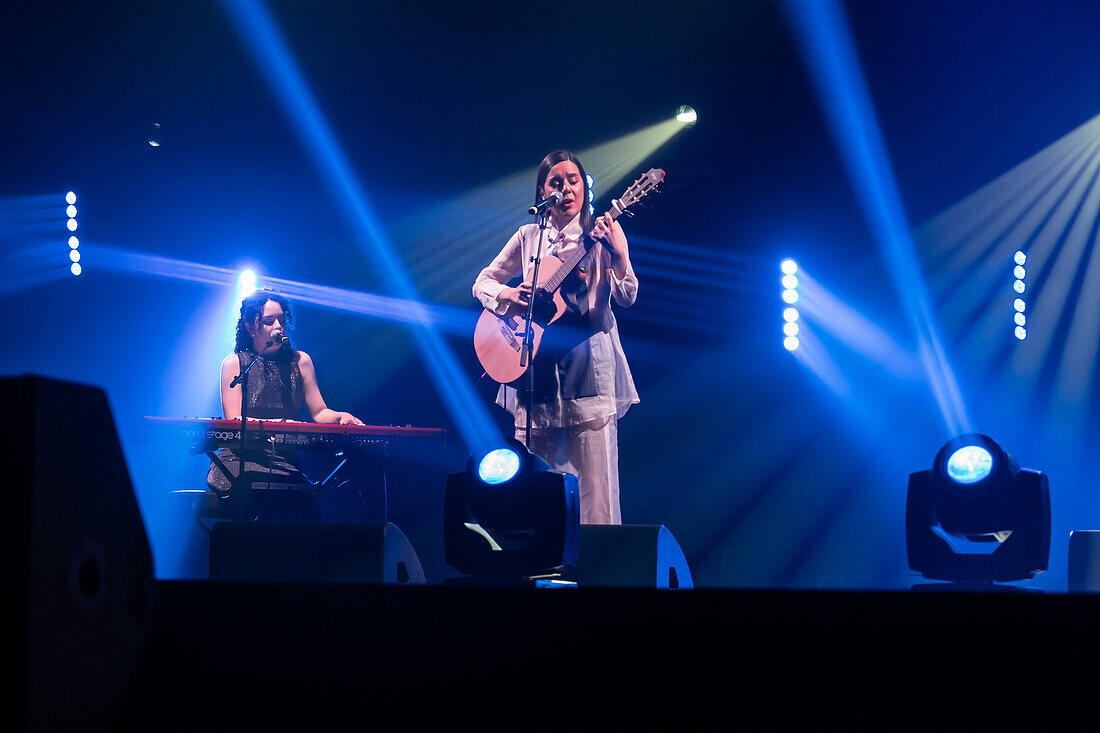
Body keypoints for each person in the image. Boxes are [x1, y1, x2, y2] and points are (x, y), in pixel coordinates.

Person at [473, 149, 639, 524]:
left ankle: (599, 572)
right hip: (536, 377)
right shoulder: (529, 237)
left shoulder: (602, 232)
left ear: (585, 187)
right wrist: (507, 296)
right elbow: (482, 281)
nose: (566, 189)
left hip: (588, 374)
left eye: (573, 180)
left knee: (597, 496)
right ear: (542, 192)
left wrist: (619, 256)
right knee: (535, 491)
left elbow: (628, 296)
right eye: (556, 182)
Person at [207, 289, 363, 518]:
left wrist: (340, 417)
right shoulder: (234, 364)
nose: (278, 326)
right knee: (262, 505)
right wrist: (281, 423)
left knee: (306, 511)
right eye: (269, 321)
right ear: (251, 327)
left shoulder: (301, 361)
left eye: (282, 319)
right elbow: (234, 421)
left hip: (283, 463)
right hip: (239, 462)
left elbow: (319, 412)